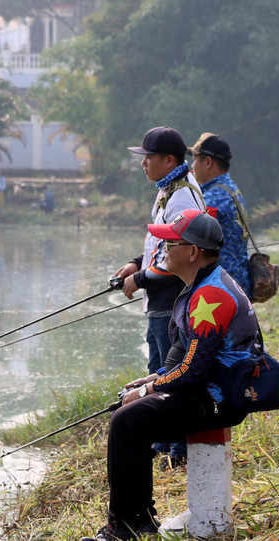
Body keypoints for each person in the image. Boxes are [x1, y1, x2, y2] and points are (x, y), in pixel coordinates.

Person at [80, 210, 261, 541]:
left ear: (192, 252)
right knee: (129, 414)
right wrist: (155, 378)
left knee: (127, 421)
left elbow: (194, 370)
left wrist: (150, 387)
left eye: (170, 241)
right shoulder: (202, 285)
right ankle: (139, 519)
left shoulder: (210, 296)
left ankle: (125, 528)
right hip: (211, 388)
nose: (161, 246)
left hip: (220, 399)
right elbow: (195, 357)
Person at [114, 126, 205, 373]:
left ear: (169, 161)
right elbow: (163, 244)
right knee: (157, 370)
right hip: (160, 300)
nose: (143, 163)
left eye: (149, 157)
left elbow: (181, 256)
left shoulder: (181, 197)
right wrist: (137, 263)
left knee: (167, 374)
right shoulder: (169, 189)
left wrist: (141, 278)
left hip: (170, 301)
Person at [188, 132, 250, 293]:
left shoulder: (213, 199)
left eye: (194, 159)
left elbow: (200, 247)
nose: (192, 166)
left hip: (221, 289)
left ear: (207, 162)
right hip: (238, 281)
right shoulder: (233, 191)